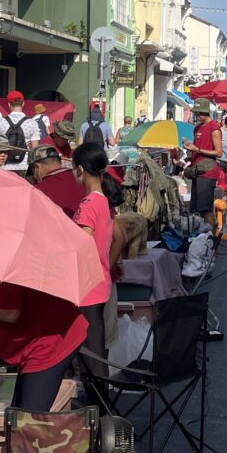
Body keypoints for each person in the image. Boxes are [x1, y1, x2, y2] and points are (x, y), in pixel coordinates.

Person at [0, 260, 88, 415]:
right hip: (31, 342)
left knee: (27, 421)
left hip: (52, 340)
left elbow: (10, 313)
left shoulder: (2, 267)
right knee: (16, 419)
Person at [71, 142, 124, 380]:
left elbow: (80, 245)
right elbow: (116, 239)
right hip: (100, 282)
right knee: (97, 349)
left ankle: (98, 409)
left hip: (87, 286)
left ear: (80, 169)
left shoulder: (88, 204)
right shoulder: (103, 200)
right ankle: (100, 406)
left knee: (91, 354)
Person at [183, 98, 223, 226]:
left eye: (198, 113)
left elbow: (219, 152)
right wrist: (190, 147)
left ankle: (210, 238)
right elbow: (197, 148)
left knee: (205, 209)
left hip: (208, 172)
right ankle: (204, 237)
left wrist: (198, 149)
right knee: (197, 208)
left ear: (205, 112)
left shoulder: (214, 128)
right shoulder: (197, 128)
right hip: (197, 170)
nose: (196, 115)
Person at [30, 144, 86, 217]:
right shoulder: (82, 179)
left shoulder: (39, 191)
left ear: (37, 167)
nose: (34, 176)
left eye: (32, 171)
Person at [0, 92, 41, 172]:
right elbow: (35, 149)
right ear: (23, 103)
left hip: (5, 167)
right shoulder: (32, 123)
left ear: (9, 104)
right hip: (25, 167)